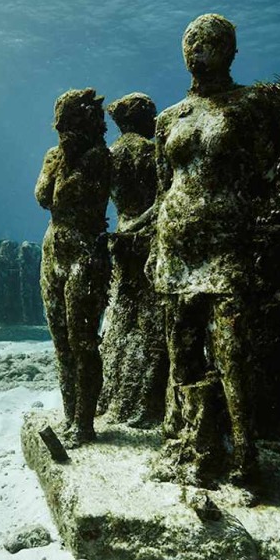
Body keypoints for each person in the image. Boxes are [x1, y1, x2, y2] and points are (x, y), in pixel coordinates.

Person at [144, 14, 280, 487]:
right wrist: (154, 245)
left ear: (231, 50)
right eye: (191, 41)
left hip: (227, 245)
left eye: (210, 41)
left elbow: (274, 171)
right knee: (183, 352)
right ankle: (199, 445)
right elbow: (162, 189)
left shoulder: (251, 106)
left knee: (233, 353)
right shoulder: (169, 117)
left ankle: (245, 456)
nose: (198, 50)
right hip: (175, 246)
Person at [35, 88, 110, 447]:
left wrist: (64, 160)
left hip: (85, 251)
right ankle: (69, 416)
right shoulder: (55, 156)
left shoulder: (98, 157)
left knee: (83, 342)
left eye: (68, 121)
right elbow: (42, 196)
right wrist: (59, 159)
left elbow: (65, 195)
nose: (62, 129)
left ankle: (84, 424)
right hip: (54, 251)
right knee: (61, 342)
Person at [99, 93, 168, 426]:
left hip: (122, 239)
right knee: (152, 321)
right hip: (147, 240)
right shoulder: (149, 152)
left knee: (120, 318)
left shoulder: (109, 155)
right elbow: (164, 196)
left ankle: (111, 396)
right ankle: (145, 403)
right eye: (152, 113)